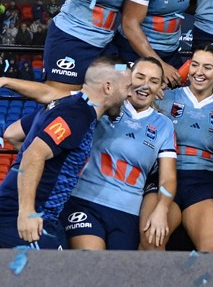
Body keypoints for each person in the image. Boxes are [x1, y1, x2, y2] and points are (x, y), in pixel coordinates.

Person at [0, 57, 131, 249]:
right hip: (26, 218)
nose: (129, 94)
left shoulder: (66, 104)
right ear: (108, 88)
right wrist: (27, 212)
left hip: (44, 217)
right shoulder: (77, 114)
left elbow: (12, 134)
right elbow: (33, 155)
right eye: (127, 87)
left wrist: (50, 161)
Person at [61, 57, 176, 250]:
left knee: (118, 274)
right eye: (140, 77)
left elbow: (168, 179)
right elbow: (58, 95)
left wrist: (162, 209)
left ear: (160, 88)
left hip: (127, 211)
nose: (145, 85)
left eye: (154, 81)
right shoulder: (106, 103)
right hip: (84, 202)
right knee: (93, 263)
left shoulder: (164, 125)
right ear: (129, 77)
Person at [145, 44, 213, 251]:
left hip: (202, 181)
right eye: (195, 65)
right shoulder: (164, 98)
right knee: (151, 243)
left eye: (207, 67)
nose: (199, 72)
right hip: (163, 176)